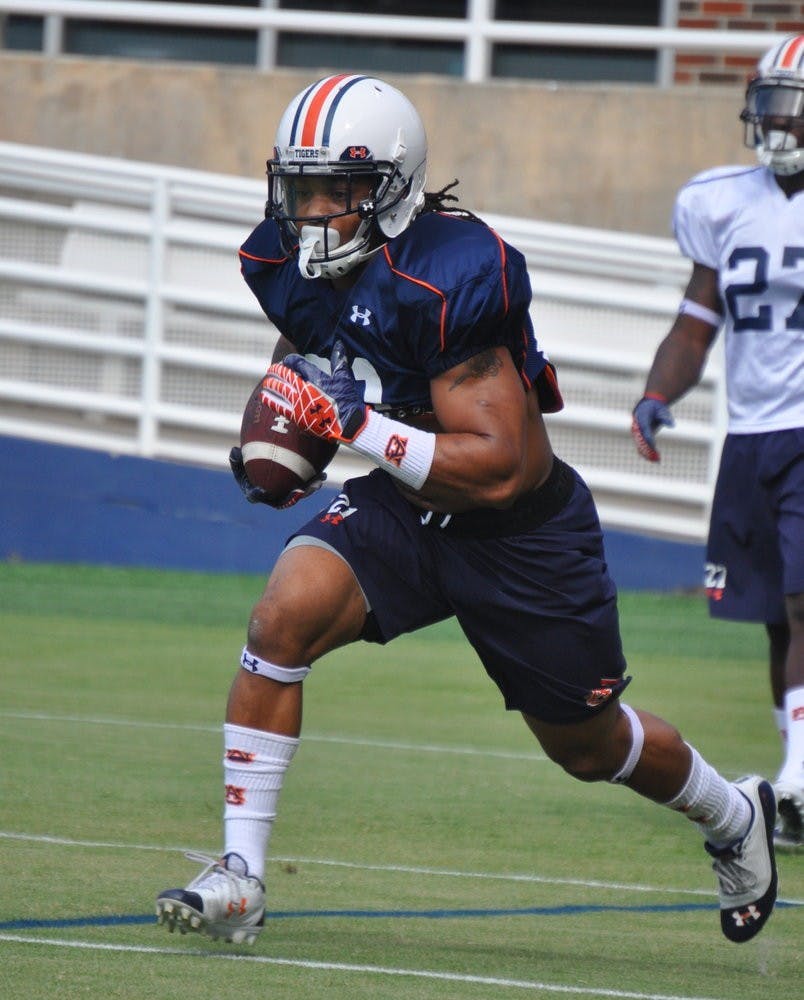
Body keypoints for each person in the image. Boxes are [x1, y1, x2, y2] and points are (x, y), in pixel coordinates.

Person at [156, 73, 777, 946]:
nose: (314, 212)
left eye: (338, 190)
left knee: (587, 747)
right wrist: (284, 429)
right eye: (302, 187)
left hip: (517, 528)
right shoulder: (282, 257)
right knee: (278, 622)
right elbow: (311, 340)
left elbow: (497, 469)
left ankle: (731, 811)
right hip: (407, 506)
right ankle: (241, 875)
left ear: (393, 188)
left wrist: (358, 423)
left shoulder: (451, 273)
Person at [631, 35, 804, 853]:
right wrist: (659, 391)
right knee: (777, 615)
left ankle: (800, 775)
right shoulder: (721, 201)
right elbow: (701, 316)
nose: (776, 117)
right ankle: (800, 773)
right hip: (753, 432)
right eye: (770, 99)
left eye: (792, 100)